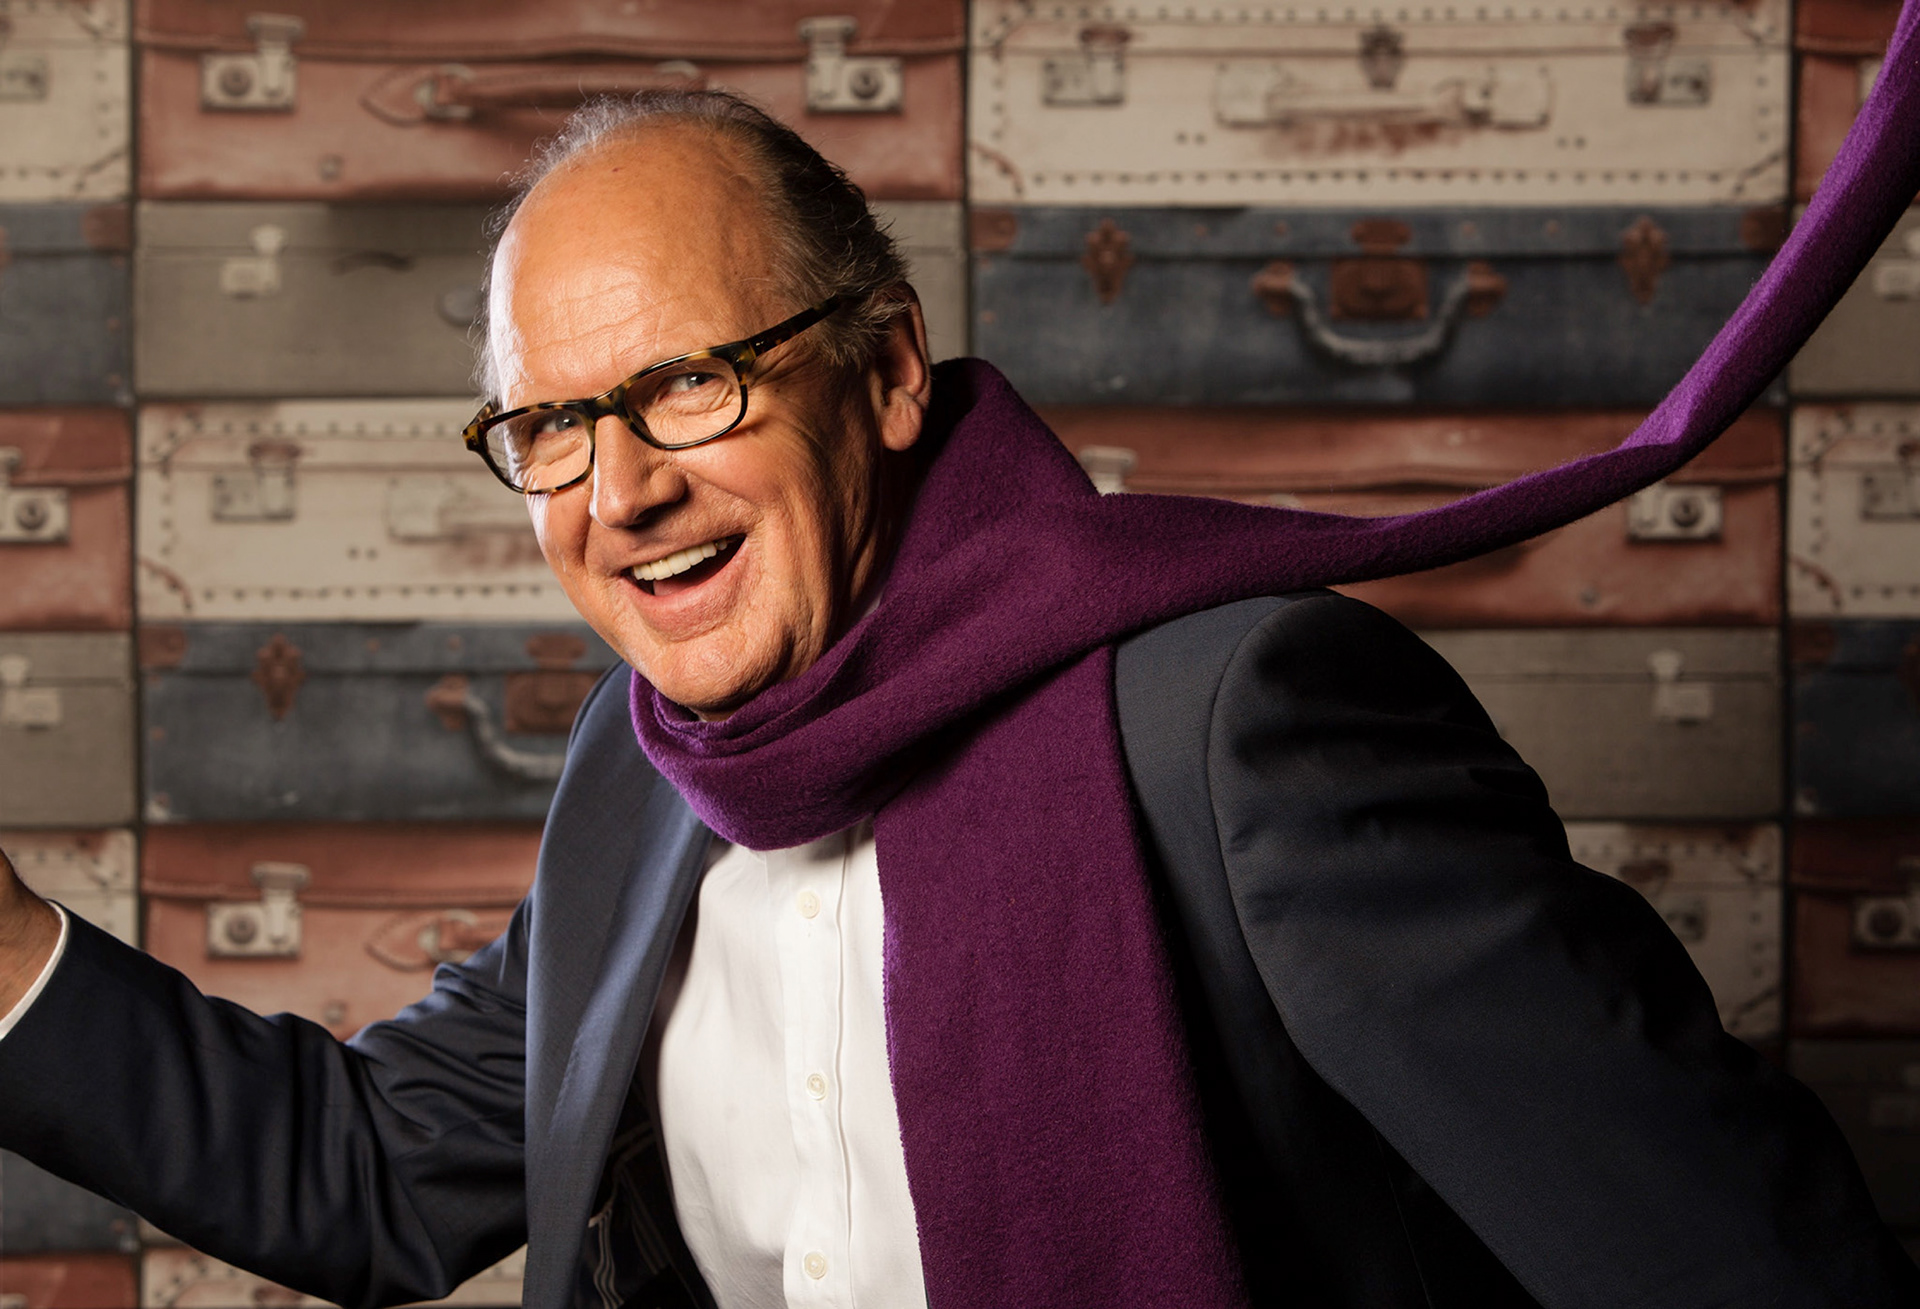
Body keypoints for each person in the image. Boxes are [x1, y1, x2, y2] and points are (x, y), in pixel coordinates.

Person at [2, 91, 1917, 1309]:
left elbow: (1726, 1263)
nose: (619, 490)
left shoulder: (1244, 724)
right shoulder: (643, 774)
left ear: (890, 368)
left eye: (687, 386)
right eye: (553, 426)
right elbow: (367, 1171)